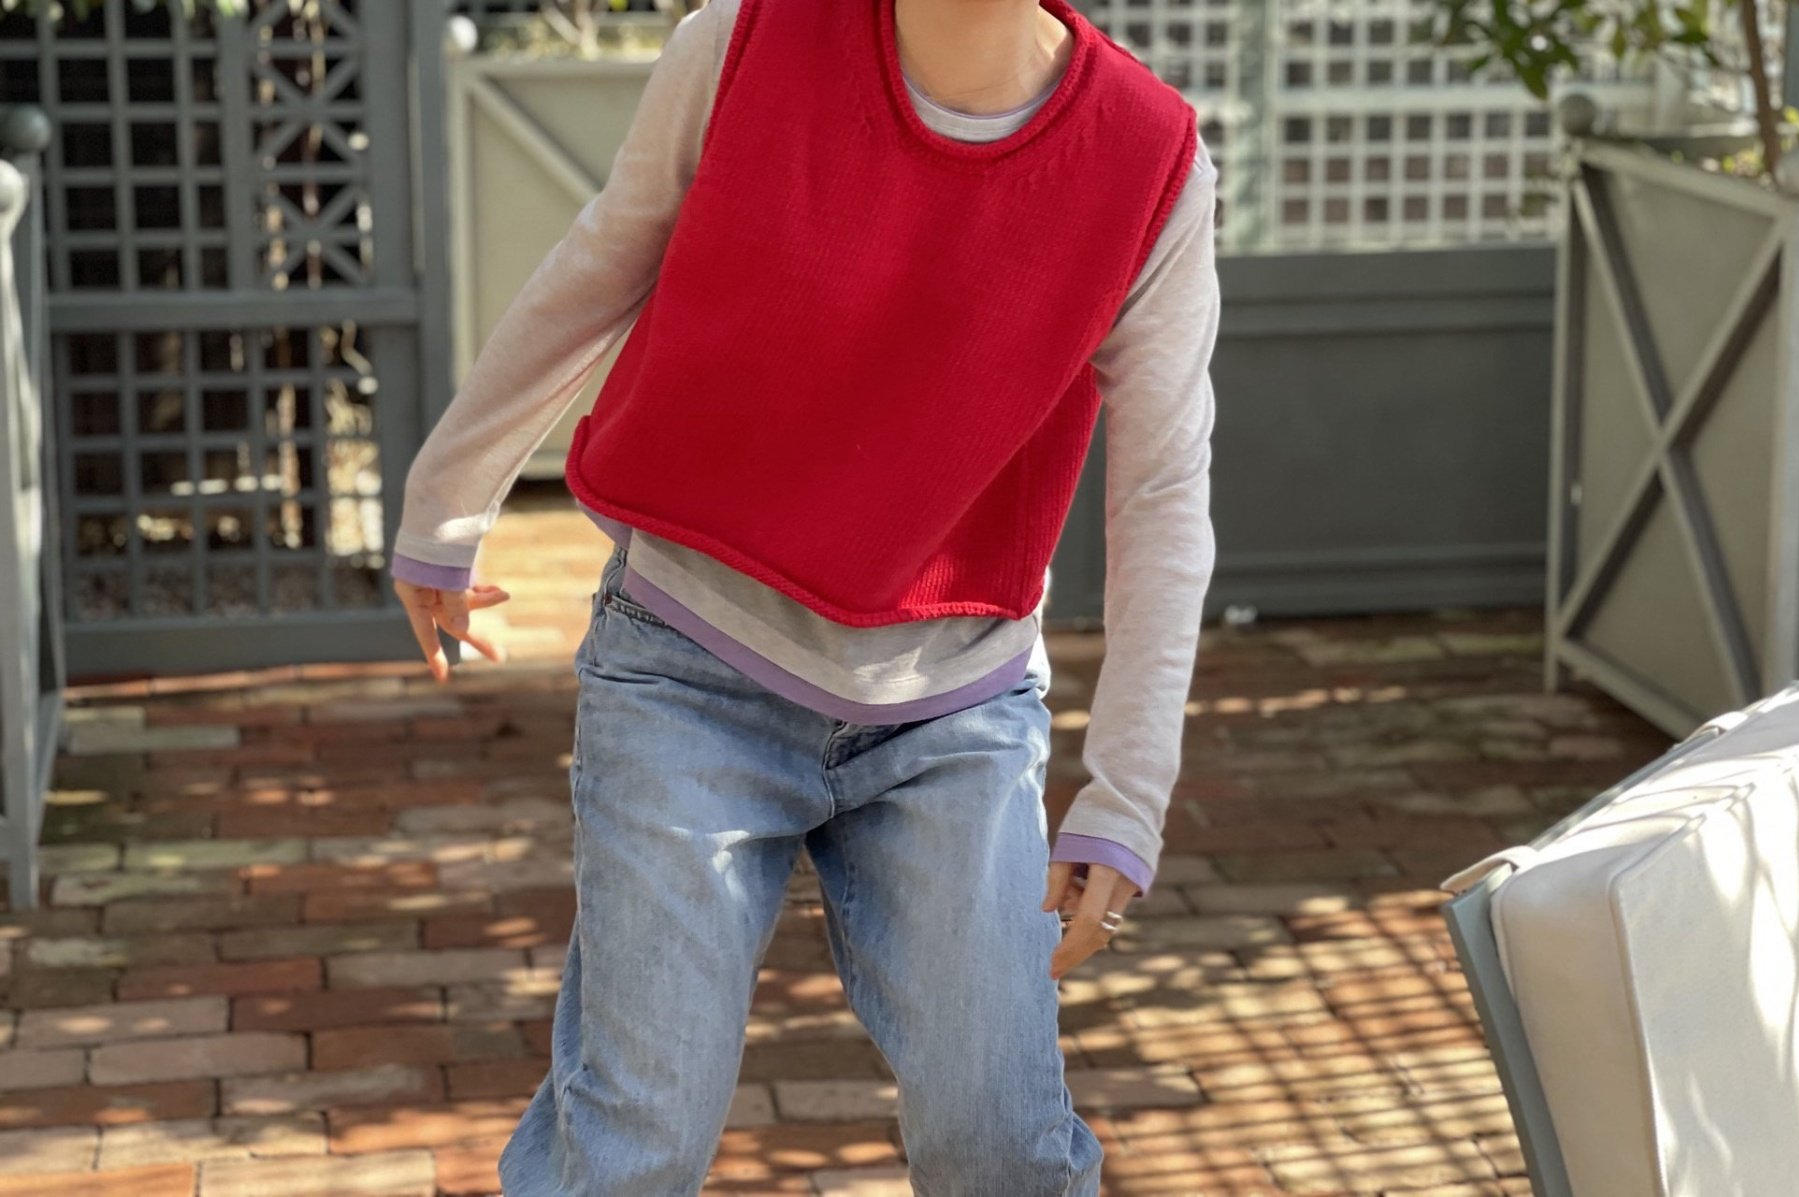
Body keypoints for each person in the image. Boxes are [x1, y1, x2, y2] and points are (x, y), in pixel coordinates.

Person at [389, 0, 1219, 1189]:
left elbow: (1162, 492)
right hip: (686, 668)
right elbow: (601, 261)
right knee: (634, 1143)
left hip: (954, 710)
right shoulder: (740, 41)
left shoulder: (1152, 161)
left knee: (1002, 1145)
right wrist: (445, 502)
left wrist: (1126, 798)